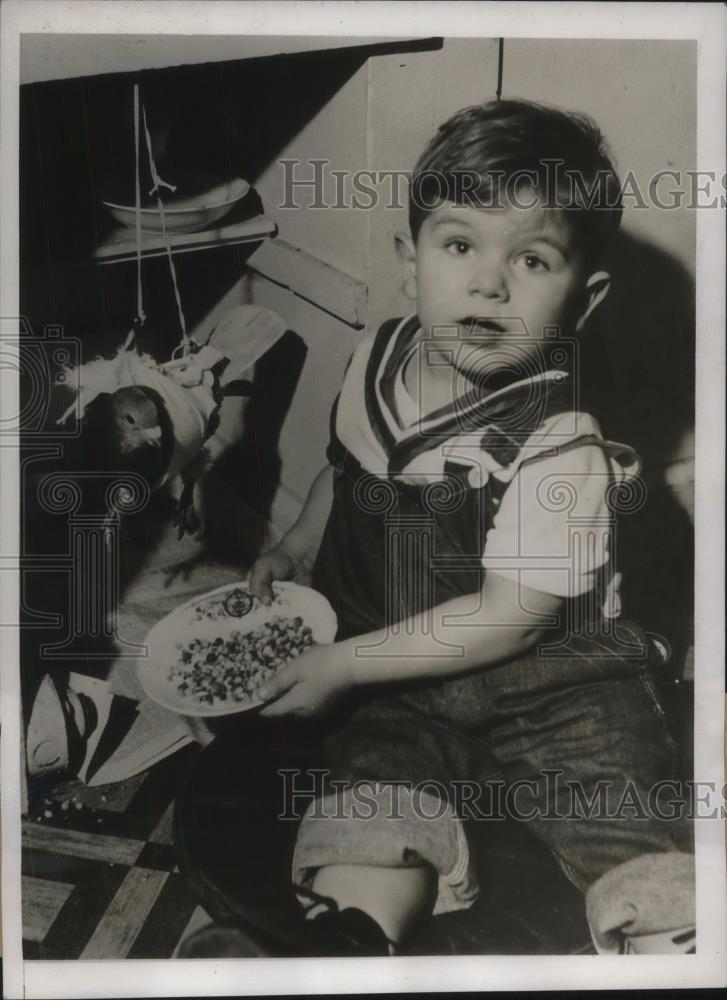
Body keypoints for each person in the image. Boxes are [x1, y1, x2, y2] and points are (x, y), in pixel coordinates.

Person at [181, 99, 693, 958]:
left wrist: (343, 662)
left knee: (608, 804)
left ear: (585, 296)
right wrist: (296, 545)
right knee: (373, 795)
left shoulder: (557, 443)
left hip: (552, 685)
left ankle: (667, 943)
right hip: (400, 673)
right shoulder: (376, 357)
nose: (488, 283)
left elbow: (511, 614)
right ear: (409, 264)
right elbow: (345, 474)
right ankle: (348, 942)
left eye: (531, 259)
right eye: (459, 245)